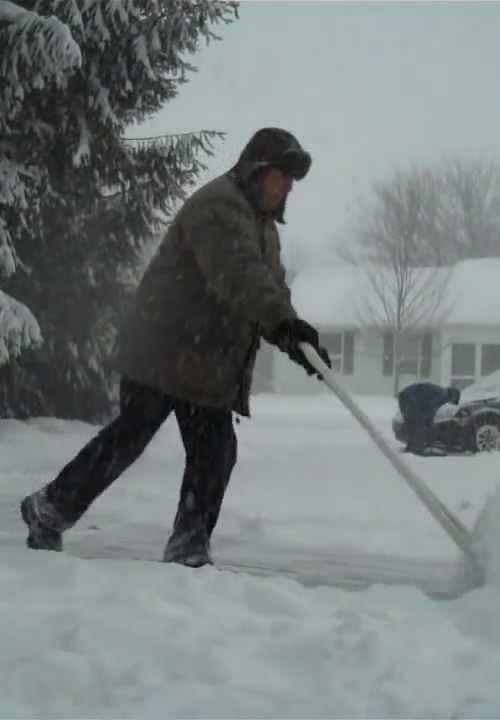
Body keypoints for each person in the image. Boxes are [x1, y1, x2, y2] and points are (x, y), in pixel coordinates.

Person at [18, 127, 332, 568]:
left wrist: (293, 336)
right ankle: (55, 510)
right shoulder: (220, 207)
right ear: (256, 171)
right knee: (134, 437)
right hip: (163, 348)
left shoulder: (263, 227)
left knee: (213, 449)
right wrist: (282, 322)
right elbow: (238, 277)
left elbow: (268, 287)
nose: (288, 187)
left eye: (292, 180)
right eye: (283, 175)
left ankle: (179, 542)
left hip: (202, 361)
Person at [399, 382, 461, 455]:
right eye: (453, 401)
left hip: (405, 397)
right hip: (410, 398)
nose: (451, 402)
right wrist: (428, 421)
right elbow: (431, 406)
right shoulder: (444, 395)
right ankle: (417, 449)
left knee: (413, 424)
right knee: (419, 425)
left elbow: (429, 407)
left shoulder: (440, 392)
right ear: (453, 396)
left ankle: (411, 448)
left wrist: (428, 420)